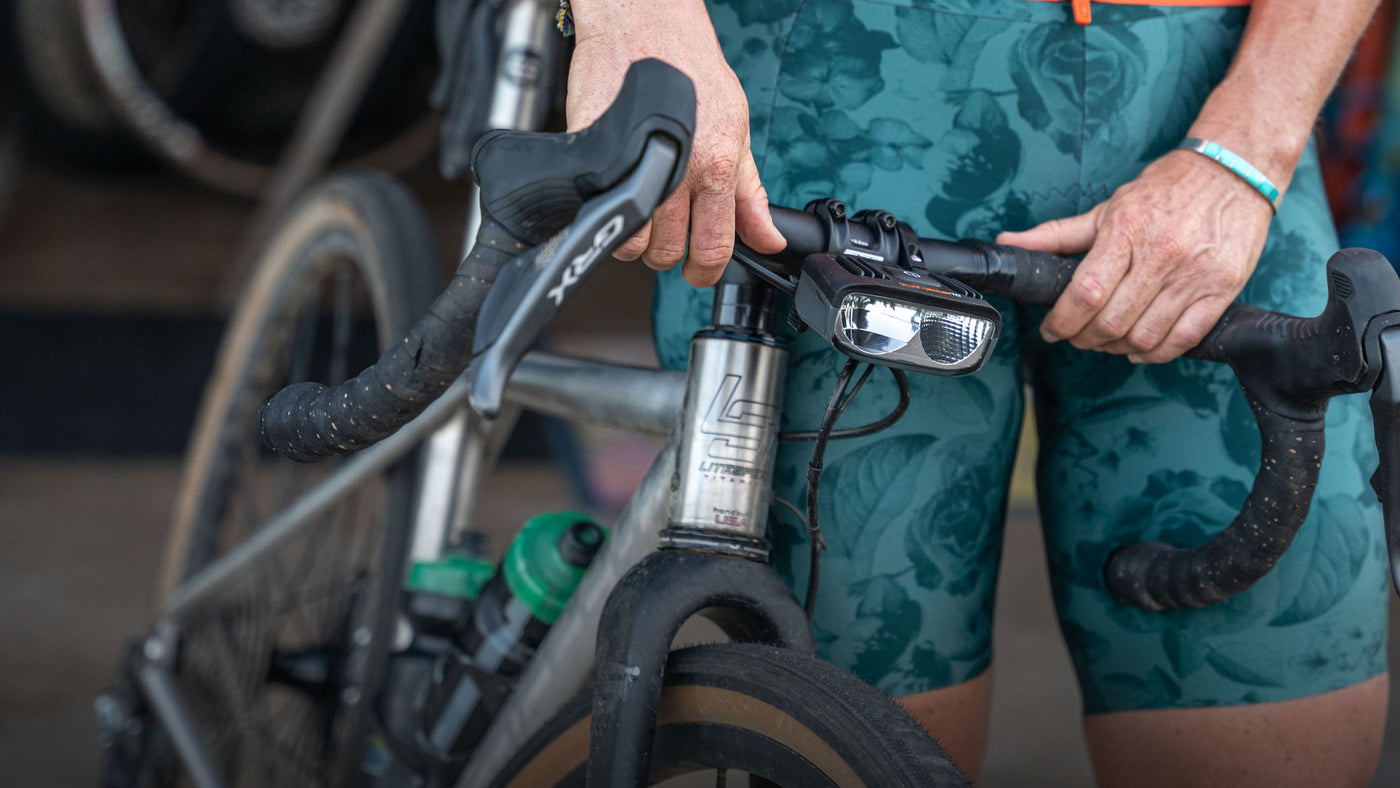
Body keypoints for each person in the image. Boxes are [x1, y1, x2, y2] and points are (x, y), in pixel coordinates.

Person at [567, 0, 1390, 784]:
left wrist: (1251, 146)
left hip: (1219, 125)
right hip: (839, 95)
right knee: (851, 737)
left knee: (1275, 703)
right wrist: (638, 17)